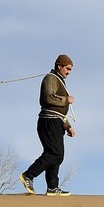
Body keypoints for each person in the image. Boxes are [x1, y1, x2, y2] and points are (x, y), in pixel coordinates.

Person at [20, 54, 75, 196]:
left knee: (57, 154)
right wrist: (66, 99)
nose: (68, 72)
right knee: (55, 153)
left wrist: (67, 126)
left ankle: (52, 187)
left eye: (70, 69)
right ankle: (28, 175)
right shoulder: (51, 78)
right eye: (67, 69)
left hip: (57, 121)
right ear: (59, 66)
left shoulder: (60, 80)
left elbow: (61, 112)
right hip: (48, 121)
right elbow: (48, 97)